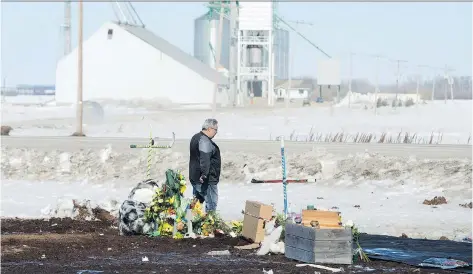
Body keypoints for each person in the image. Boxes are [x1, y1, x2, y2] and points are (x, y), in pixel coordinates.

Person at [189, 118, 221, 212]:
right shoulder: (205, 141)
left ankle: (186, 221)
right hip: (206, 180)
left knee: (195, 203)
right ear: (210, 129)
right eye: (216, 130)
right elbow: (205, 159)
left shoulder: (196, 137)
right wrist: (204, 175)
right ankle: (209, 225)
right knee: (211, 204)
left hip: (195, 177)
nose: (216, 132)